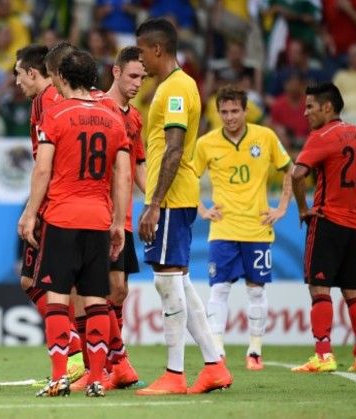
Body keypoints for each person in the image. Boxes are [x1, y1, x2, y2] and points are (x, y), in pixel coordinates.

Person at [18, 49, 131, 398]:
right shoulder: (113, 118)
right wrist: (116, 221)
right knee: (96, 300)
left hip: (62, 216)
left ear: (62, 78)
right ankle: (97, 379)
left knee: (56, 298)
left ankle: (59, 377)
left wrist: (30, 213)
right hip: (99, 218)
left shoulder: (55, 114)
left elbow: (43, 169)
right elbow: (122, 174)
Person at [135, 17, 233, 395]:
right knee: (179, 279)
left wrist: (155, 203)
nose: (140, 59)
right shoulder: (172, 86)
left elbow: (174, 148)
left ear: (157, 49)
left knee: (165, 280)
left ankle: (175, 374)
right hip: (175, 195)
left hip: (172, 197)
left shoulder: (176, 89)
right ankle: (213, 365)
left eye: (142, 51)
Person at [291, 82, 356, 373]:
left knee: (319, 288)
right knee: (352, 290)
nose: (306, 113)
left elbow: (297, 174)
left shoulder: (321, 136)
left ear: (327, 107)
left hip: (327, 221)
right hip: (353, 225)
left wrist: (303, 210)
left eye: (310, 106)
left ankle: (323, 355)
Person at [195, 85, 293, 370]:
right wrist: (202, 209)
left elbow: (290, 169)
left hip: (257, 227)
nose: (229, 117)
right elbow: (188, 176)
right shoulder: (206, 143)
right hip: (223, 228)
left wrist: (283, 207)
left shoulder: (266, 137)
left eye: (234, 111)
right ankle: (217, 350)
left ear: (246, 111)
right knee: (218, 290)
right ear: (217, 113)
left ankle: (254, 351)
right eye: (223, 112)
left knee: (256, 290)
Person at [14, 43, 84, 383]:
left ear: (32, 72)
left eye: (18, 74)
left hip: (56, 202)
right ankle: (91, 354)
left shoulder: (47, 101)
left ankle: (74, 351)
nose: (16, 83)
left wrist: (34, 208)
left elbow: (48, 162)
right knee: (76, 285)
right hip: (77, 200)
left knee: (36, 281)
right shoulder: (60, 99)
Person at [102, 45, 147, 388]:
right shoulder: (97, 109)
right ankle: (113, 360)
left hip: (125, 217)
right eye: (132, 75)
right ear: (116, 72)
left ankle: (113, 361)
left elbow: (139, 164)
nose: (137, 83)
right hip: (98, 215)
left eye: (142, 78)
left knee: (120, 291)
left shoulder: (135, 117)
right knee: (105, 289)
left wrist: (158, 198)